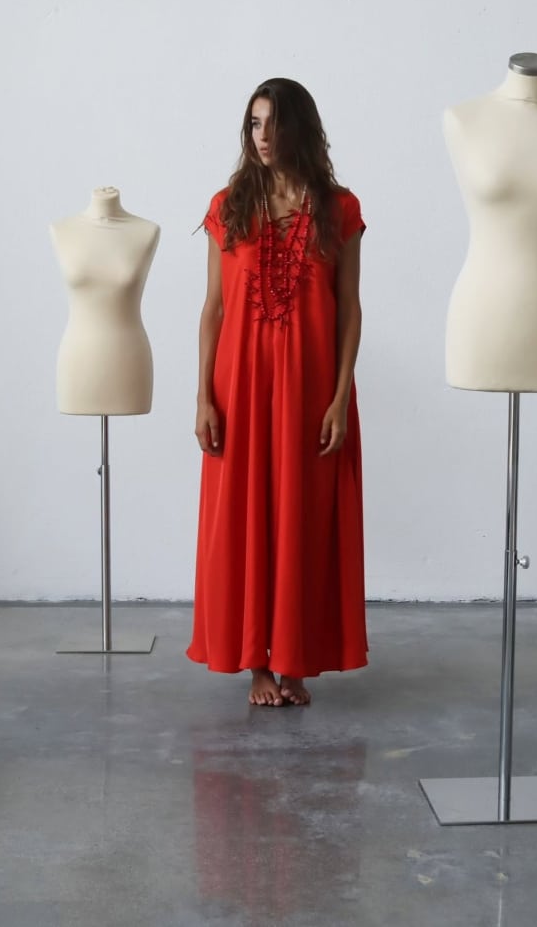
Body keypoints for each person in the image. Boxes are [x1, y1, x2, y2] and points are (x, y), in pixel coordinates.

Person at [187, 78, 368, 706]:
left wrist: (339, 398)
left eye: (274, 123)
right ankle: (256, 666)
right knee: (246, 521)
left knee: (303, 521)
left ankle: (294, 663)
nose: (262, 136)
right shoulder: (229, 205)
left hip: (311, 391)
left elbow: (349, 311)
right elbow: (212, 309)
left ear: (301, 129)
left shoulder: (339, 209)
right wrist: (204, 396)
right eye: (254, 123)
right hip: (239, 391)